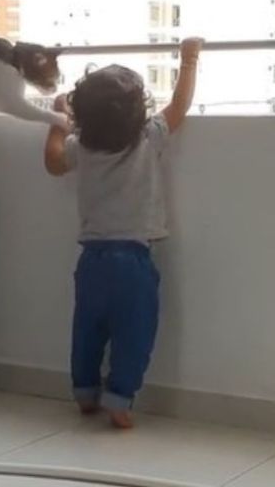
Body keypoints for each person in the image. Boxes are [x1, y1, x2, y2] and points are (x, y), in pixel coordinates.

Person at [43, 37, 204, 429]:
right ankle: (119, 399)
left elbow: (53, 162)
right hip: (133, 260)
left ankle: (84, 392)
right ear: (138, 113)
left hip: (92, 261)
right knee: (134, 333)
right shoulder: (148, 137)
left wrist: (57, 119)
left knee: (87, 329)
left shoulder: (82, 146)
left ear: (83, 115)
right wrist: (189, 58)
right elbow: (180, 105)